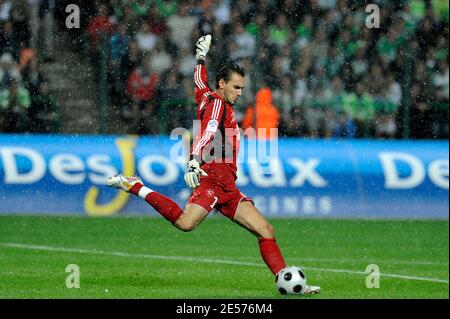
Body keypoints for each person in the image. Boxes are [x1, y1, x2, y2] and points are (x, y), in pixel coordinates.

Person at [106, 35, 320, 294]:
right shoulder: (218, 105)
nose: (240, 93)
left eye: (242, 88)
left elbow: (198, 80)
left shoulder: (205, 95)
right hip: (213, 179)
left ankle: (289, 281)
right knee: (186, 224)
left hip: (228, 185)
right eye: (237, 87)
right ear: (222, 84)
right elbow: (206, 132)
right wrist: (195, 159)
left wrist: (200, 58)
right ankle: (136, 186)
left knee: (266, 230)